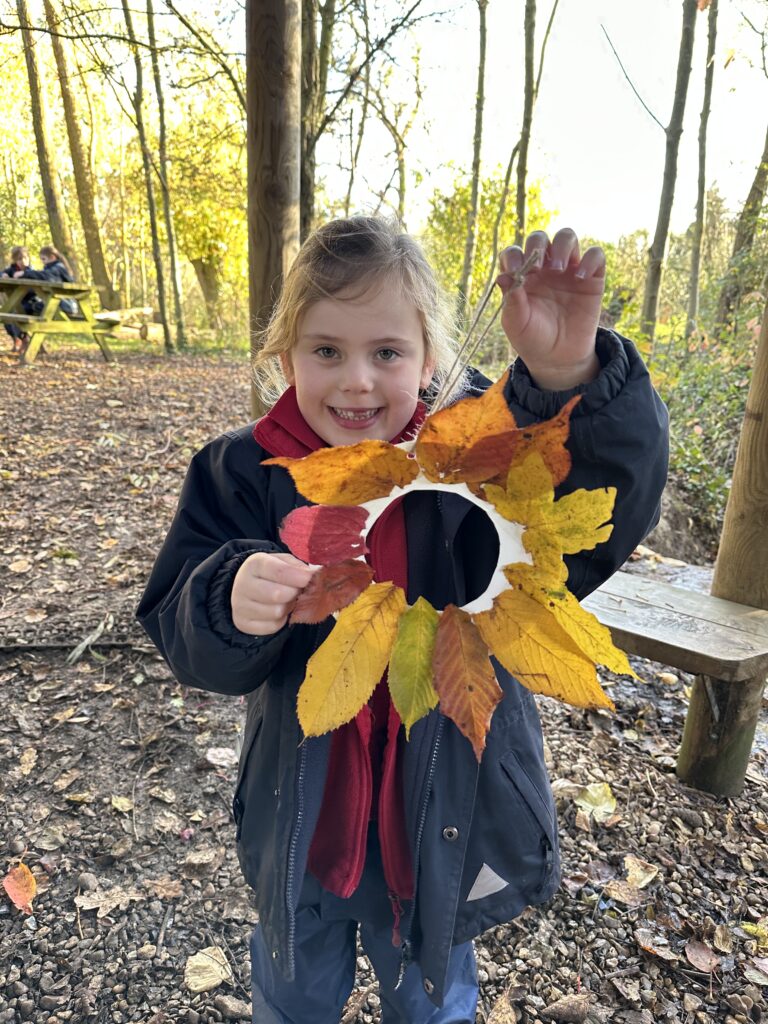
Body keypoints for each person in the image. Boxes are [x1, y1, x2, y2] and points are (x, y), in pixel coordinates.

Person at [137, 217, 668, 1023]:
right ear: (286, 355)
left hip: (442, 820)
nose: (356, 382)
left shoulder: (480, 460)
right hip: (303, 822)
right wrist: (226, 597)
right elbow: (182, 619)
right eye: (326, 351)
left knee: (430, 1001)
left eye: (385, 352)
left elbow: (583, 523)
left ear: (428, 356)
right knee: (293, 994)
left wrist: (564, 375)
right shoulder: (242, 471)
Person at [15, 245, 79, 317]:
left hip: (66, 304)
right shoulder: (51, 268)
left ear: (52, 257)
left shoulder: (59, 267)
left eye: (43, 259)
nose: (42, 262)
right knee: (28, 308)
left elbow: (45, 275)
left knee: (33, 308)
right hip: (57, 302)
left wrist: (25, 273)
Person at [1, 246, 33, 353]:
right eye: (19, 259)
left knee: (16, 314)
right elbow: (3, 273)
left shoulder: (31, 272)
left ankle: (24, 339)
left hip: (29, 302)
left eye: (24, 258)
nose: (22, 262)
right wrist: (3, 275)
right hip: (16, 301)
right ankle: (16, 339)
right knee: (6, 316)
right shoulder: (12, 269)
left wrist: (24, 275)